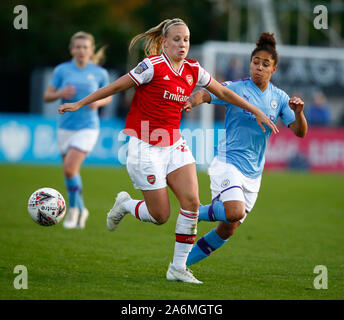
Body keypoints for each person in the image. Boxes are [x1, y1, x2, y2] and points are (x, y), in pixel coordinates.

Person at [58, 19, 277, 283]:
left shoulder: (193, 70)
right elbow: (117, 86)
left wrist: (255, 110)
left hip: (173, 143)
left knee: (192, 203)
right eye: (177, 39)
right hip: (143, 145)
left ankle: (177, 268)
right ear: (164, 42)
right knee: (160, 215)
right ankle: (126, 204)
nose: (183, 44)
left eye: (186, 39)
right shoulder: (152, 66)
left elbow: (223, 92)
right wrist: (80, 103)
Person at [183, 32, 308, 270]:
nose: (259, 67)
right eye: (255, 62)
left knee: (229, 227)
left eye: (265, 64)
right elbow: (207, 93)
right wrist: (192, 101)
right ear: (250, 64)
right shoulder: (236, 89)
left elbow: (300, 132)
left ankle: (180, 265)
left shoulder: (280, 98)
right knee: (234, 211)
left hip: (253, 173)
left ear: (274, 68)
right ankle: (191, 212)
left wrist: (299, 112)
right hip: (227, 161)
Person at [44, 31, 112, 229]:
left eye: (85, 47)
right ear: (72, 49)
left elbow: (108, 95)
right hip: (65, 127)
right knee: (70, 173)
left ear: (91, 50)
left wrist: (98, 102)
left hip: (88, 127)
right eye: (78, 47)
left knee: (70, 168)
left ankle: (73, 211)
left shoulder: (100, 73)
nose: (81, 50)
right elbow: (47, 96)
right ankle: (82, 208)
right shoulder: (62, 70)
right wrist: (60, 93)